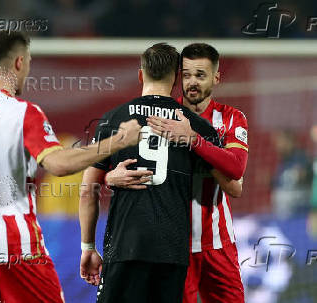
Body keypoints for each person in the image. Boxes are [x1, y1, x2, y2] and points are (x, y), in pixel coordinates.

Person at [0, 30, 141, 303]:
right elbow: (59, 164)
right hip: (16, 248)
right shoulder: (23, 113)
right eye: (28, 62)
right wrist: (118, 140)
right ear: (19, 62)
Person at [98, 43, 249, 303]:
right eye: (187, 75)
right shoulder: (160, 115)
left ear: (216, 78)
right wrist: (108, 178)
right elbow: (121, 164)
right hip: (175, 243)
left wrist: (194, 141)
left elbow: (236, 185)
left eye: (200, 75)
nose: (192, 82)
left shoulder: (231, 118)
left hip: (217, 240)